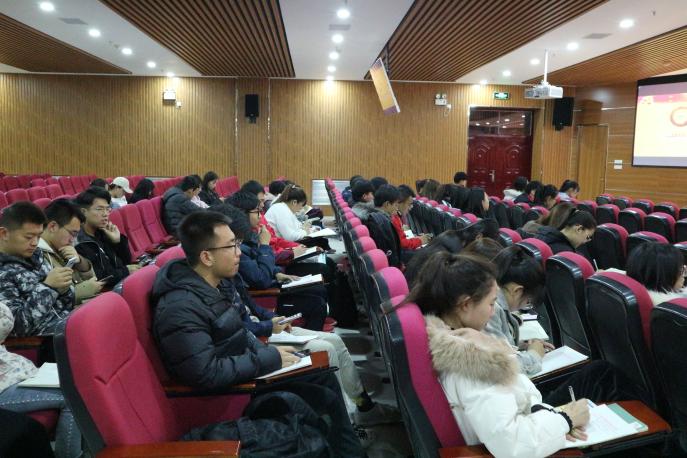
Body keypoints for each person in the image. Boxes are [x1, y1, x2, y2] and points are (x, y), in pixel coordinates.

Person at [151, 211, 365, 457]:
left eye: (237, 244)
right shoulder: (180, 307)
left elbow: (239, 332)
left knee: (323, 377)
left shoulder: (215, 284)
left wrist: (269, 353)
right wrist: (268, 358)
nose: (239, 253)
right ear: (207, 256)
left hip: (247, 372)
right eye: (231, 246)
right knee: (319, 401)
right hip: (232, 395)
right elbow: (205, 373)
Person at [410, 252, 649, 458]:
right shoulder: (474, 362)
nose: (493, 312)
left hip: (532, 420)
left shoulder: (456, 339)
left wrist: (553, 415)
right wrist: (565, 419)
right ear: (465, 304)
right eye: (491, 304)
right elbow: (512, 444)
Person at [219, 204, 327, 331]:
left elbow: (261, 261)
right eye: (257, 211)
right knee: (317, 302)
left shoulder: (250, 236)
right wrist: (265, 246)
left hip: (267, 297)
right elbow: (261, 280)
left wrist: (276, 272)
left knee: (319, 288)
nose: (261, 216)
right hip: (267, 296)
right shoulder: (235, 254)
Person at [0, 302, 81, 458]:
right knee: (71, 398)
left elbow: (6, 320)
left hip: (19, 375)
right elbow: (14, 322)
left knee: (76, 381)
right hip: (4, 387)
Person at [0, 202, 75, 337]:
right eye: (28, 237)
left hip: (66, 323)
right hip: (45, 341)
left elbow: (66, 303)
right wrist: (49, 288)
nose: (35, 243)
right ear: (4, 233)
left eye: (39, 236)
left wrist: (65, 287)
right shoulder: (3, 272)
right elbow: (17, 327)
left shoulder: (36, 256)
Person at [486, 246, 550, 376]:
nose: (524, 306)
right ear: (517, 290)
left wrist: (522, 345)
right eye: (528, 301)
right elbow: (502, 367)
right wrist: (534, 354)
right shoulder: (491, 310)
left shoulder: (490, 298)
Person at [39, 199, 103, 304]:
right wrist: (82, 291)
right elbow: (44, 303)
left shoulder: (61, 245)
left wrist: (80, 261)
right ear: (53, 227)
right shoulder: (35, 255)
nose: (72, 240)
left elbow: (92, 277)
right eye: (72, 233)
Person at [74, 187, 135, 289]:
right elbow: (100, 277)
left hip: (121, 282)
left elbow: (126, 261)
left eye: (107, 209)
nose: (105, 214)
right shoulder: (79, 241)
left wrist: (118, 241)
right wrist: (126, 271)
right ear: (83, 212)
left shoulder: (103, 232)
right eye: (100, 209)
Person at [359, 185, 403, 268]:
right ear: (387, 204)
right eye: (396, 205)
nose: (397, 209)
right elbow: (390, 254)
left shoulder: (373, 216)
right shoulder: (383, 223)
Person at [393, 185, 430, 253]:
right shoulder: (394, 218)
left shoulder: (398, 216)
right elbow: (403, 244)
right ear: (399, 203)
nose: (411, 207)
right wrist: (420, 240)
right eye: (409, 204)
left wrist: (416, 238)